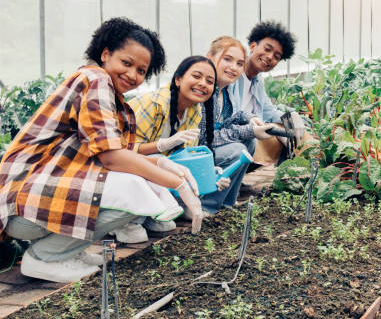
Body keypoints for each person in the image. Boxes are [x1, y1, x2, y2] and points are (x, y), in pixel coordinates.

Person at [0, 17, 204, 282]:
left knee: (136, 183)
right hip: (24, 201)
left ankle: (65, 251)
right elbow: (112, 157)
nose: (133, 75)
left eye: (142, 71)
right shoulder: (95, 79)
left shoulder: (106, 88)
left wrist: (163, 164)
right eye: (127, 63)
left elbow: (123, 150)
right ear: (105, 54)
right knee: (135, 190)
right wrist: (178, 184)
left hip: (35, 196)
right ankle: (44, 257)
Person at [107, 55, 230, 243]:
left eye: (209, 81)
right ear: (178, 80)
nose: (203, 84)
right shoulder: (155, 103)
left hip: (150, 169)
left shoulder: (194, 110)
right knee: (158, 158)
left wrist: (212, 175)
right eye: (196, 76)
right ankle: (124, 221)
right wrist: (162, 145)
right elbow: (123, 151)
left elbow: (184, 158)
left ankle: (150, 215)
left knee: (168, 168)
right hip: (114, 169)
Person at [197, 36, 275, 214]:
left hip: (207, 150)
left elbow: (228, 119)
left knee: (250, 143)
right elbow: (205, 138)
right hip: (193, 153)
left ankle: (226, 202)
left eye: (240, 63)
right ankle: (206, 206)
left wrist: (249, 118)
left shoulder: (226, 90)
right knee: (237, 150)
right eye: (227, 59)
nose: (234, 67)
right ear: (209, 57)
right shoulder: (204, 89)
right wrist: (250, 130)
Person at [227, 21, 306, 165]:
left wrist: (291, 117)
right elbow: (230, 117)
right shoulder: (233, 75)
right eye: (267, 49)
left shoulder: (257, 80)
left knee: (299, 132)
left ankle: (301, 167)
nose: (270, 57)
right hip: (238, 137)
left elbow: (269, 111)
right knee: (279, 134)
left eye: (276, 56)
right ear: (252, 46)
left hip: (253, 133)